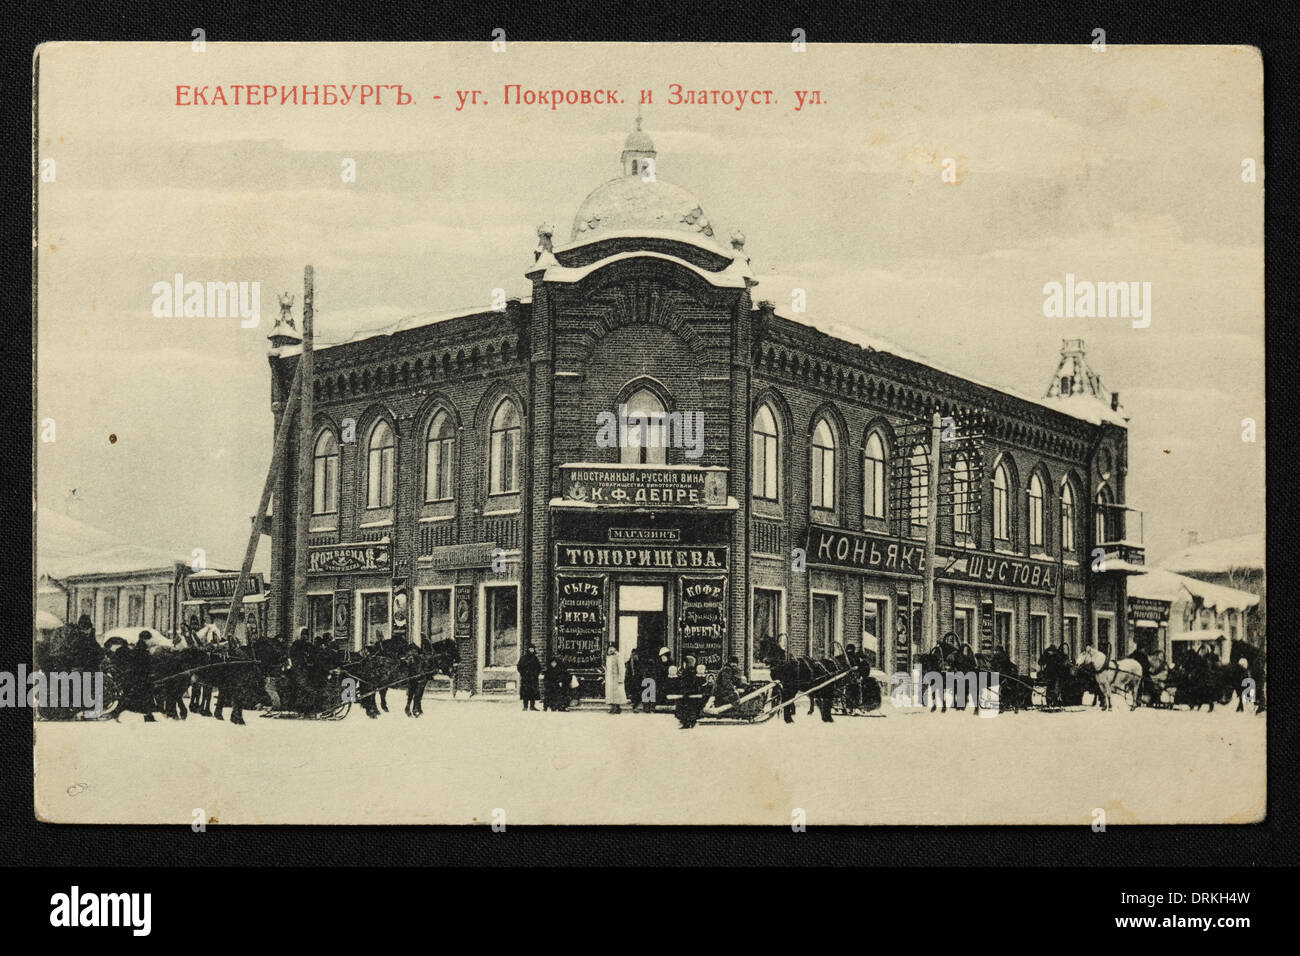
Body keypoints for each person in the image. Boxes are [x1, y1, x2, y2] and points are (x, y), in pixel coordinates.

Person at [604, 642, 627, 714]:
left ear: (615, 649)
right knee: (611, 694)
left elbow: (622, 668)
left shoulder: (618, 656)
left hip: (616, 678)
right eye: (609, 648)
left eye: (612, 648)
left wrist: (621, 678)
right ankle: (613, 707)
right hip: (610, 678)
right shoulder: (608, 657)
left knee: (617, 694)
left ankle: (617, 707)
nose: (610, 650)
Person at [517, 643, 541, 711]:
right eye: (530, 649)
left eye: (532, 649)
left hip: (533, 678)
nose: (531, 650)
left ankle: (532, 706)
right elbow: (519, 667)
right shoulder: (524, 658)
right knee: (525, 693)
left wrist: (536, 674)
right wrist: (524, 673)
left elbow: (538, 667)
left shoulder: (535, 658)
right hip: (526, 679)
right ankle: (525, 706)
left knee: (533, 692)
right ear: (528, 649)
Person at [625, 647, 644, 712]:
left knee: (636, 694)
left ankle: (635, 705)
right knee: (636, 693)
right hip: (634, 680)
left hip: (636, 680)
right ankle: (635, 706)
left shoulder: (633, 661)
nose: (634, 655)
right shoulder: (631, 661)